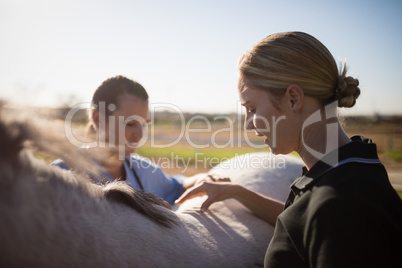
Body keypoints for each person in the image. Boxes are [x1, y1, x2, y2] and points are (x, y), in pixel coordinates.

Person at [175, 31, 402, 267]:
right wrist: (238, 192)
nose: (248, 124)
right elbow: (303, 223)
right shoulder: (353, 169)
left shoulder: (338, 207)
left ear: (293, 98)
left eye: (251, 108)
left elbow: (325, 219)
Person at [53, 75, 212, 208]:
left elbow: (177, 186)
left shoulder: (142, 169)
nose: (140, 134)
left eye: (144, 124)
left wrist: (201, 179)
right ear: (98, 118)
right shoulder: (61, 175)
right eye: (130, 124)